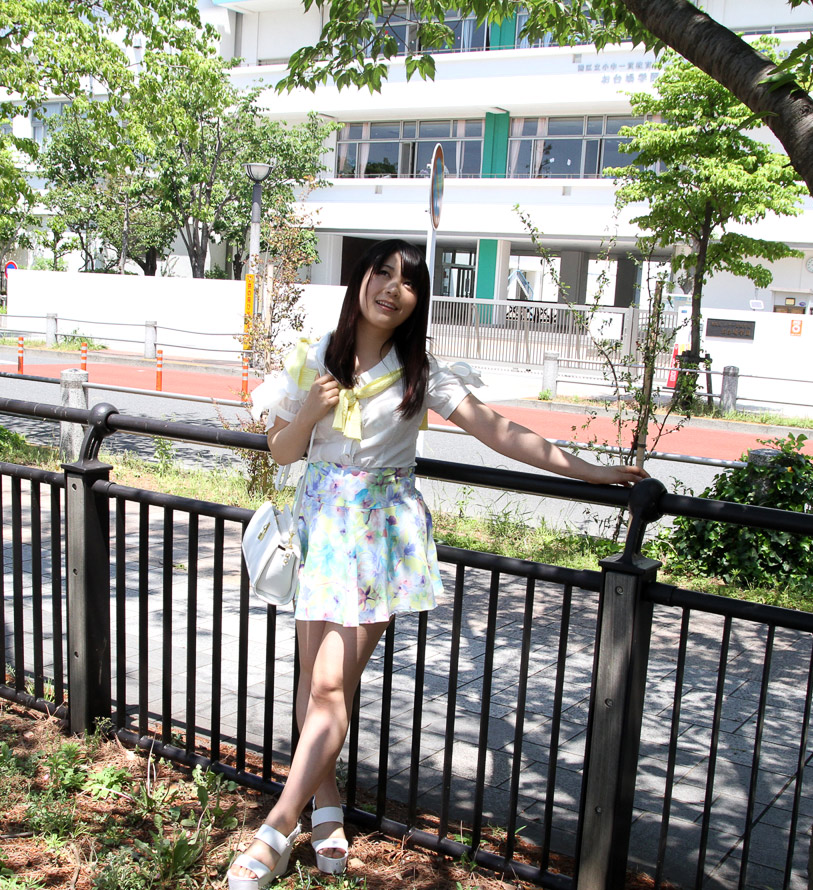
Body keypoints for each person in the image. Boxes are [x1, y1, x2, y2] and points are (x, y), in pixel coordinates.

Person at [229, 239, 648, 889]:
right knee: (315, 684)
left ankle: (276, 830)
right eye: (382, 272)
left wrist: (589, 471)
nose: (392, 288)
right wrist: (310, 409)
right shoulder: (317, 355)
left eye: (409, 282)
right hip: (321, 529)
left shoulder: (421, 372)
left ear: (419, 301)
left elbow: (499, 431)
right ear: (361, 279)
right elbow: (281, 450)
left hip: (377, 537)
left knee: (331, 687)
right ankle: (326, 807)